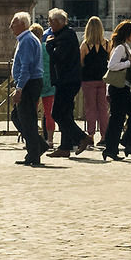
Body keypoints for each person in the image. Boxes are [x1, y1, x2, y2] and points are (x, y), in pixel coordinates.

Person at [8, 12, 49, 166]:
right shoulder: (28, 39)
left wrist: (19, 89)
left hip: (29, 83)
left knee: (26, 119)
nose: (11, 26)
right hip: (31, 82)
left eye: (14, 23)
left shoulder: (26, 40)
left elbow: (26, 67)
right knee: (19, 117)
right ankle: (39, 146)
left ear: (23, 25)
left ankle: (34, 154)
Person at [45, 9, 88, 156]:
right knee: (66, 113)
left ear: (57, 22)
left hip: (67, 81)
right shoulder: (65, 35)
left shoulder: (65, 36)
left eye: (50, 21)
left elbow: (59, 58)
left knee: (57, 113)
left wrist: (49, 48)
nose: (49, 24)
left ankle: (82, 137)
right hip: (69, 80)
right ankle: (65, 146)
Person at [102, 19, 131, 161]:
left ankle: (125, 143)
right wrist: (129, 62)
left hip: (122, 88)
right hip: (118, 88)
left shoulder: (123, 46)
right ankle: (114, 147)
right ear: (128, 34)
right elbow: (112, 65)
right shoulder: (121, 48)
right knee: (120, 118)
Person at [79, 15, 111, 146]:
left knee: (90, 108)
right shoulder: (107, 44)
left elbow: (80, 62)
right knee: (103, 108)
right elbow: (109, 61)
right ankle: (104, 136)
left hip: (88, 80)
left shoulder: (85, 45)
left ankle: (90, 135)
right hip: (103, 79)